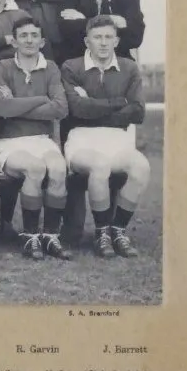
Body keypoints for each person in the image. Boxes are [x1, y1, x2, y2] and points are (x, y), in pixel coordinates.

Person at [60, 16, 148, 259]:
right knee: (99, 166)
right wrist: (119, 103)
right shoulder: (71, 67)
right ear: (86, 41)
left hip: (118, 140)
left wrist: (92, 105)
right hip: (82, 140)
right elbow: (76, 110)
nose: (103, 43)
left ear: (117, 40)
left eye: (109, 37)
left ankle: (117, 230)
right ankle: (102, 233)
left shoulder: (129, 67)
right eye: (97, 37)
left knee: (141, 166)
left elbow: (138, 111)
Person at [0, 16, 71, 260]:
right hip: (10, 143)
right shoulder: (2, 67)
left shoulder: (51, 68)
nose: (29, 40)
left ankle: (50, 236)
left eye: (34, 35)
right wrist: (40, 99)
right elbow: (2, 109)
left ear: (42, 41)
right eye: (23, 36)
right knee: (35, 168)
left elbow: (61, 108)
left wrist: (17, 104)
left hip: (42, 140)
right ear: (14, 42)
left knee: (58, 167)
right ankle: (29, 237)